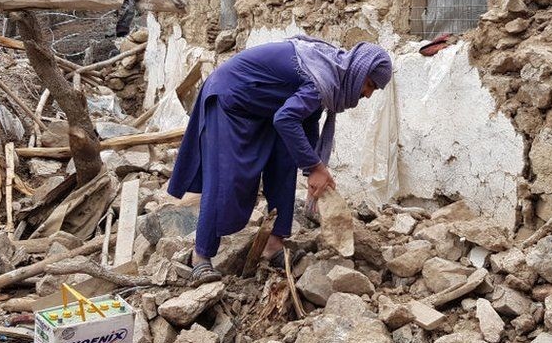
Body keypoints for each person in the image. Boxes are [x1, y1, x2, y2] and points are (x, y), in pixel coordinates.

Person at [166, 35, 393, 285]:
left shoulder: (329, 75)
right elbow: (286, 119)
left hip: (265, 108)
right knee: (226, 179)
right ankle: (201, 257)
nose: (368, 94)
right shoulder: (322, 77)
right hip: (231, 99)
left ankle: (274, 245)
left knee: (285, 164)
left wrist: (314, 169)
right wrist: (315, 166)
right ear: (359, 72)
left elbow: (306, 122)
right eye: (370, 85)